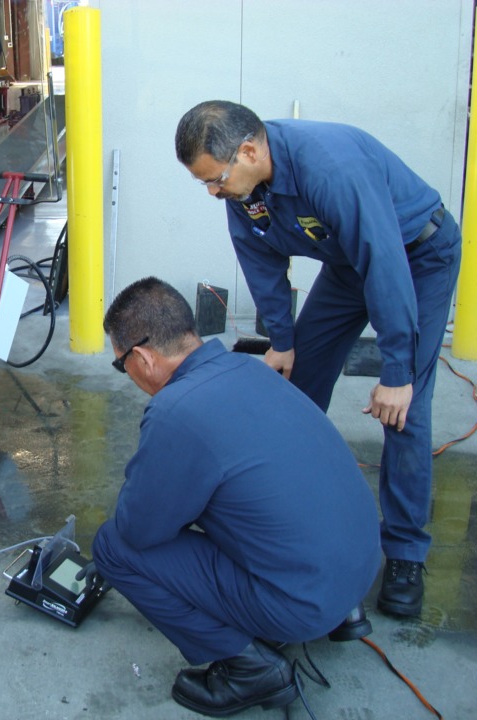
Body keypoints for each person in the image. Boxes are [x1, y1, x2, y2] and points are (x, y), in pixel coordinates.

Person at [174, 101, 462, 619]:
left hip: (418, 255)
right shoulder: (242, 190)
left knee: (405, 410)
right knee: (296, 384)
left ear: (249, 150)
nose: (214, 192)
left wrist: (396, 371)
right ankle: (283, 517)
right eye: (205, 185)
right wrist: (282, 342)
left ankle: (404, 552)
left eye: (215, 179)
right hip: (349, 264)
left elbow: (386, 261)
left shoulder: (330, 168)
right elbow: (261, 263)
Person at [90, 277, 380, 717]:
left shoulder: (176, 410)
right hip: (358, 567)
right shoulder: (249, 368)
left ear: (142, 357)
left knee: (113, 546)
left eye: (120, 365)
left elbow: (140, 529)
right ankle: (346, 612)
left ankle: (250, 668)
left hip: (303, 603)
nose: (126, 374)